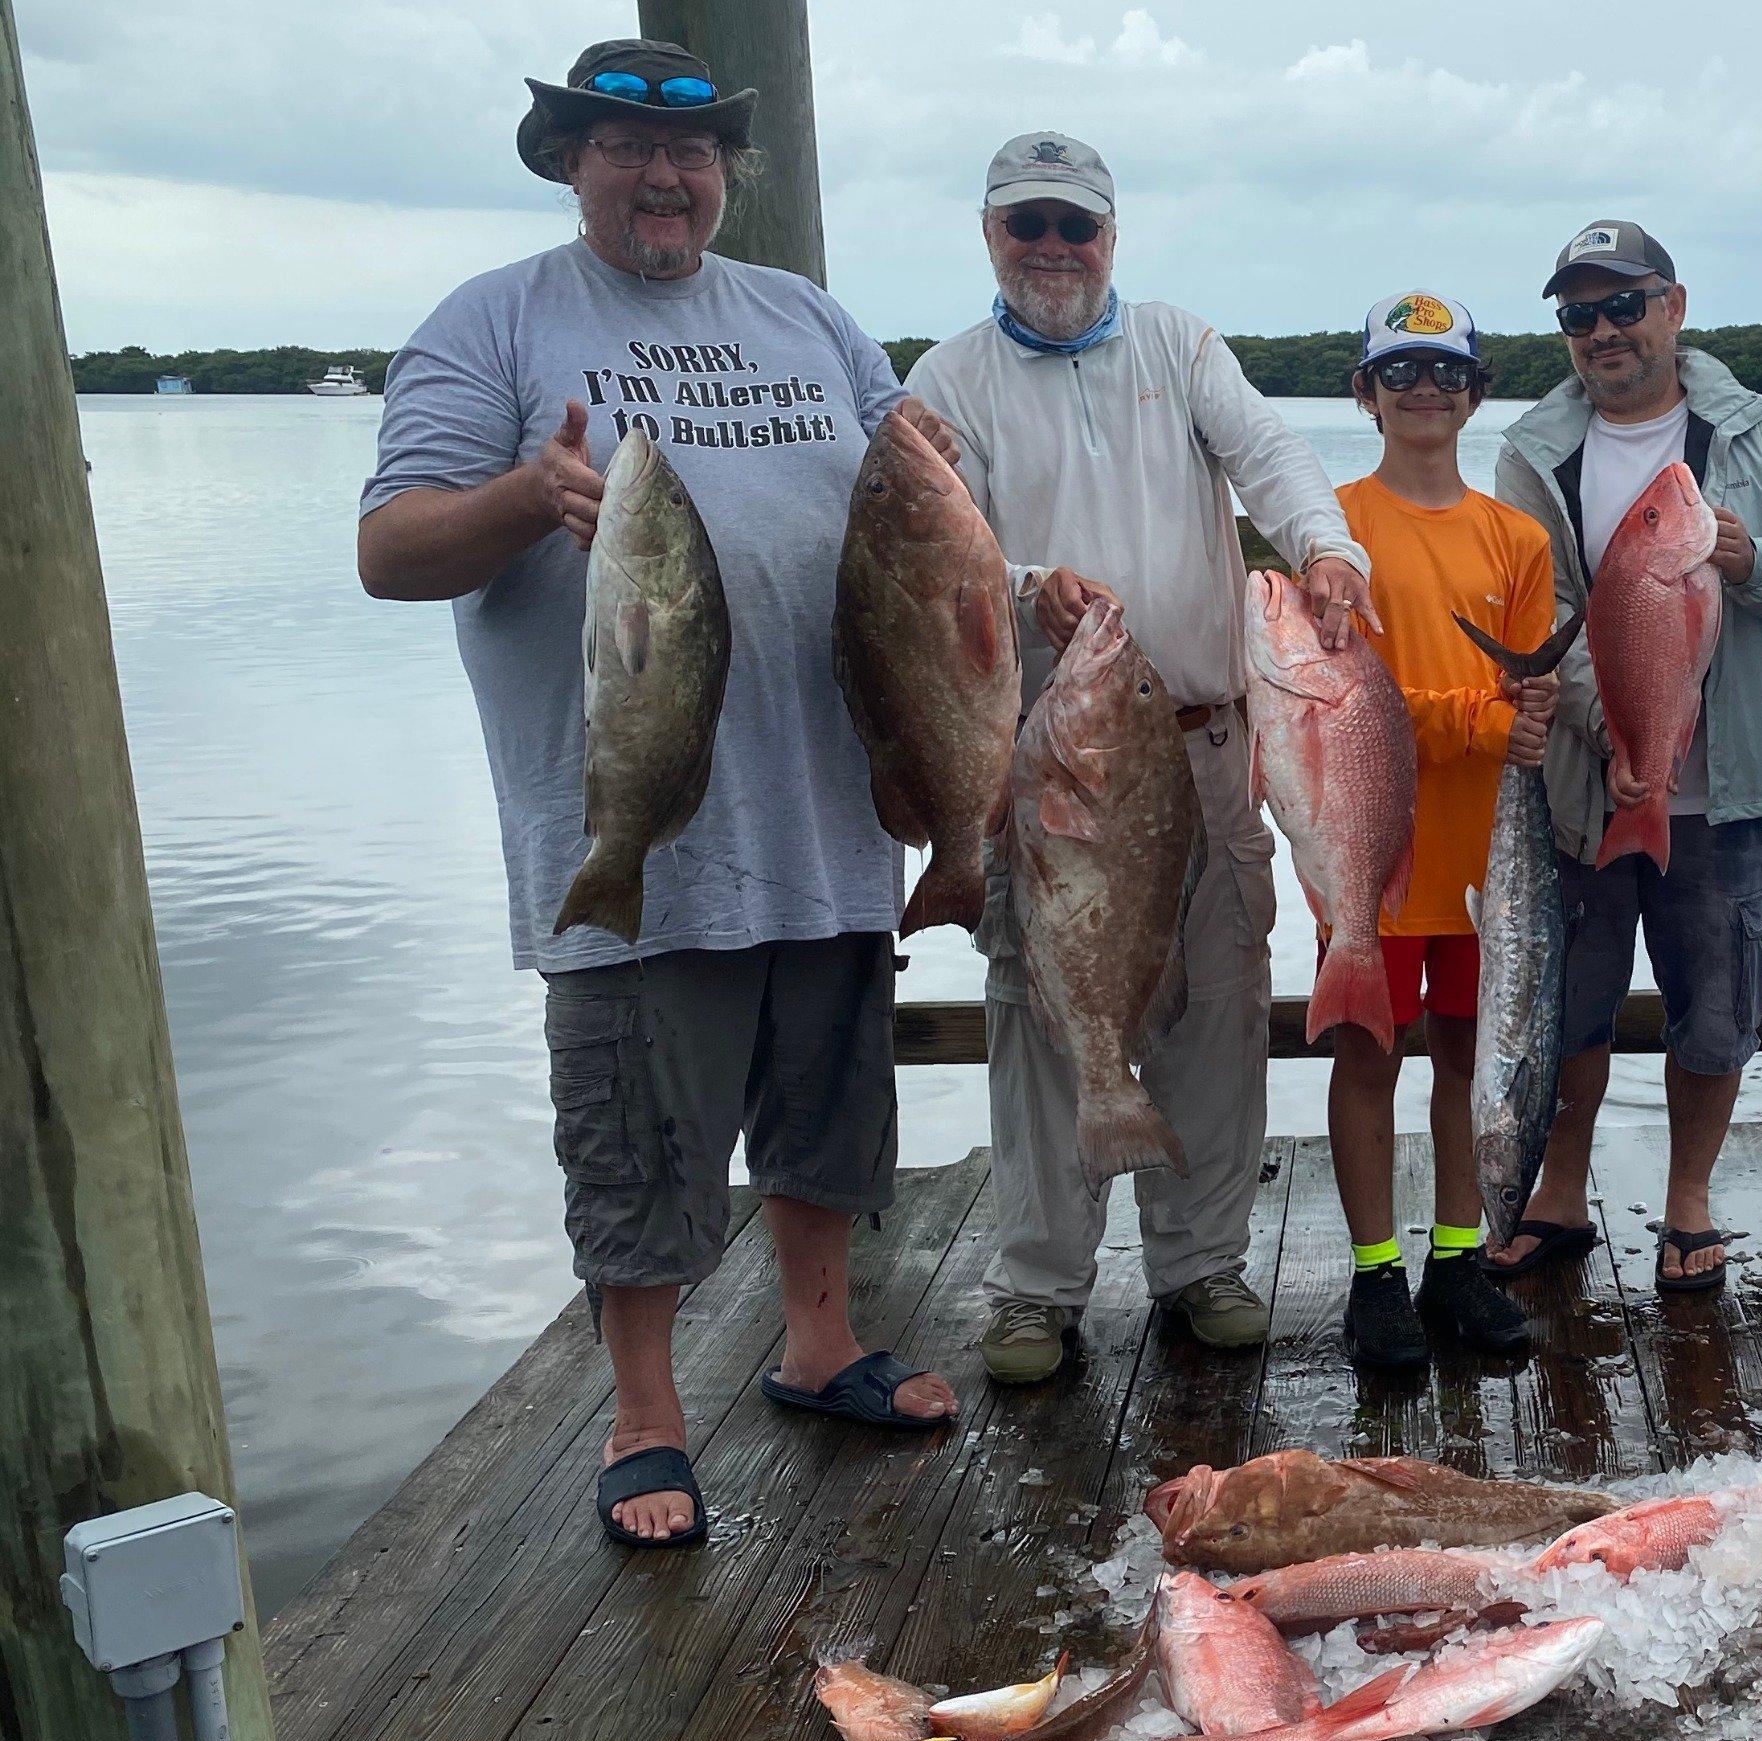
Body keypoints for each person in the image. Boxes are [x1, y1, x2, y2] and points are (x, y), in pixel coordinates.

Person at [357, 38, 960, 1549]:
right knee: (639, 1129)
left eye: (690, 155)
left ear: (724, 176)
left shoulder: (810, 319)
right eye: (624, 147)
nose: (664, 177)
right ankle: (645, 1414)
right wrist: (519, 500)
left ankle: (819, 1346)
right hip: (630, 827)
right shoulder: (492, 323)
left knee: (828, 1108)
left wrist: (949, 480)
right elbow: (388, 552)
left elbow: (912, 480)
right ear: (569, 159)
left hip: (829, 812)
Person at [901, 133, 1377, 1386]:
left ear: (1113, 237)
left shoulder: (1180, 344)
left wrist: (1328, 551)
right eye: (1029, 226)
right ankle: (1036, 1287)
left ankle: (1203, 1263)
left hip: (1206, 748)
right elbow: (930, 560)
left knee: (1217, 1006)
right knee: (1038, 1010)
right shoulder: (946, 380)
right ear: (991, 234)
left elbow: (1272, 456)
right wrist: (1019, 588)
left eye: (1078, 227)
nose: (1054, 249)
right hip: (1049, 761)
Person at [1485, 220, 1762, 1293]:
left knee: (1717, 1004)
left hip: (1724, 787)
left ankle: (1689, 1195)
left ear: (1673, 307)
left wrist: (1750, 556)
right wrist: (1615, 739)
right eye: (1579, 315)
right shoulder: (1530, 450)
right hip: (1590, 786)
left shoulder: (1758, 430)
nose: (1602, 331)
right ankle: (1559, 1188)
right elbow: (1538, 613)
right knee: (1573, 1001)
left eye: (1622, 306)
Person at [1321, 292, 1557, 1370]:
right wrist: (1476, 717)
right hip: (1369, 848)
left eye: (1446, 374)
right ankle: (1375, 1273)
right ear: (1364, 394)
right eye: (1401, 373)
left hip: (1485, 861)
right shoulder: (1333, 531)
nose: (1426, 392)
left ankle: (1457, 1259)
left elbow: (1527, 698)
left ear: (1478, 395)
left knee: (1470, 1055)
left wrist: (1526, 718)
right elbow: (1340, 694)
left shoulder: (1516, 539)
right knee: (1369, 1056)